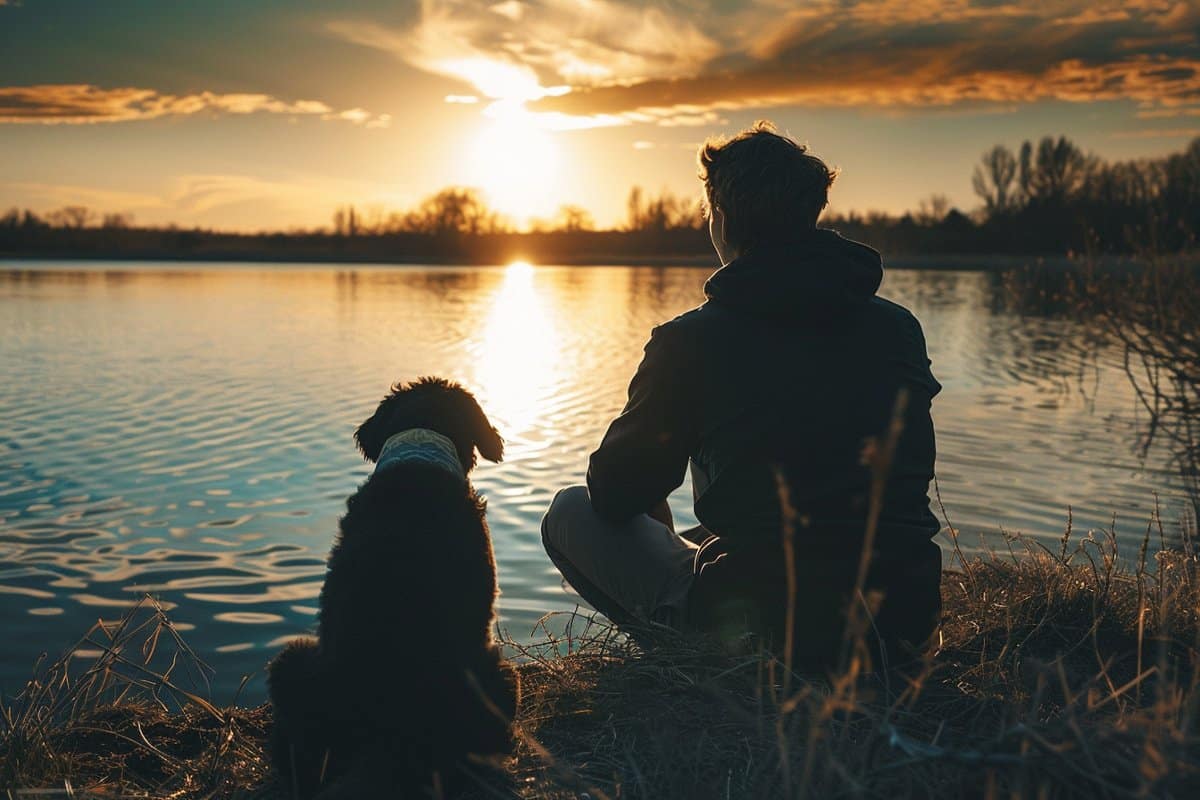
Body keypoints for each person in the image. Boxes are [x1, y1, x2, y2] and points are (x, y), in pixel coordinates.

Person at [541, 121, 942, 670]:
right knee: (746, 522)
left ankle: (689, 657)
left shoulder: (691, 341)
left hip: (770, 636)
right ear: (812, 212)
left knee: (570, 511)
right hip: (902, 620)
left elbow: (614, 493)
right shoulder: (898, 328)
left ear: (722, 219)